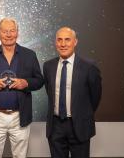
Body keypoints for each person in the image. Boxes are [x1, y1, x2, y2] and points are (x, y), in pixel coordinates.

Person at [0, 18, 43, 158]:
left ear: (17, 33)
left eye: (12, 30)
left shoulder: (29, 55)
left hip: (20, 116)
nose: (8, 34)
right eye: (4, 31)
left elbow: (39, 80)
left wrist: (26, 83)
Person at [43, 27, 102, 158]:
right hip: (56, 126)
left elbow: (95, 97)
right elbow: (50, 91)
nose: (63, 44)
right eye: (59, 40)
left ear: (75, 42)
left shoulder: (89, 66)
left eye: (67, 40)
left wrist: (82, 113)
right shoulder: (48, 66)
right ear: (55, 42)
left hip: (79, 126)